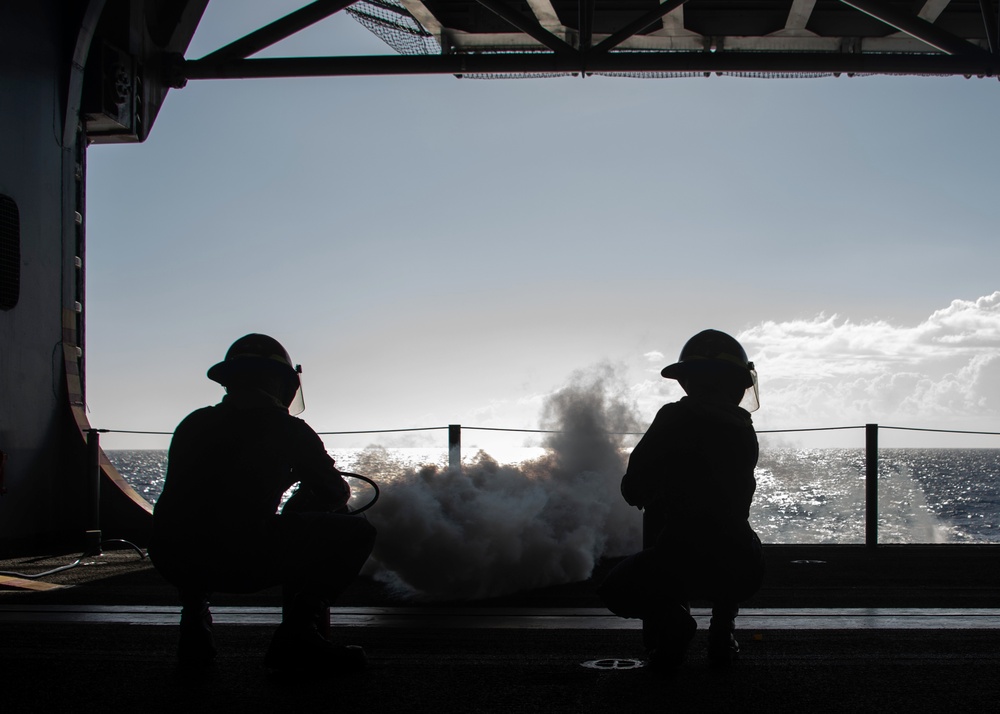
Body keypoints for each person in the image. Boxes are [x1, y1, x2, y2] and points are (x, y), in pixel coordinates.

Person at [149, 334, 377, 671]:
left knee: (197, 525)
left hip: (172, 558)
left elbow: (189, 502)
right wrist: (300, 496)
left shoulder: (194, 423)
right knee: (357, 532)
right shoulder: (289, 430)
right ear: (282, 383)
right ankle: (299, 635)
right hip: (239, 561)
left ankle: (194, 625)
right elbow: (334, 493)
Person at [598, 329, 764, 669]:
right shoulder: (743, 429)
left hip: (683, 559)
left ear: (688, 381)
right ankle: (723, 632)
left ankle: (675, 626)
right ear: (737, 386)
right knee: (734, 537)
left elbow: (634, 487)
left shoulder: (673, 418)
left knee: (614, 588)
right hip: (744, 566)